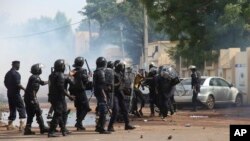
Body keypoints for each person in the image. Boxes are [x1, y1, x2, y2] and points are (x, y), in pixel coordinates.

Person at [48, 59, 75, 137]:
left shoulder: (52, 74)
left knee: (63, 113)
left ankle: (63, 129)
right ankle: (51, 132)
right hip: (58, 97)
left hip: (54, 97)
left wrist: (68, 76)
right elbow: (61, 88)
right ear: (61, 67)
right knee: (58, 114)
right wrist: (69, 96)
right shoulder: (60, 75)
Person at [107, 62, 135, 132]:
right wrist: (119, 83)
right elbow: (111, 85)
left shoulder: (121, 73)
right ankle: (110, 126)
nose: (123, 68)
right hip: (114, 94)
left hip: (120, 93)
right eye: (122, 67)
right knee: (115, 110)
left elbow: (124, 84)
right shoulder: (113, 74)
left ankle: (127, 124)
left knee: (125, 110)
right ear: (118, 67)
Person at [23, 63, 49, 135]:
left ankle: (27, 129)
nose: (41, 70)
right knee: (38, 112)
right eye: (40, 69)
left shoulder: (34, 77)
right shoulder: (35, 78)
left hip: (28, 98)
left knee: (31, 114)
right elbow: (33, 90)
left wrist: (49, 81)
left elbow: (42, 83)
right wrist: (34, 100)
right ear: (37, 70)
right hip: (31, 97)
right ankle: (42, 128)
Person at [69, 57, 91, 131]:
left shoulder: (72, 71)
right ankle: (78, 122)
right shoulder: (83, 70)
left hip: (73, 92)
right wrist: (89, 76)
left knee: (79, 108)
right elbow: (85, 80)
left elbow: (70, 81)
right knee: (86, 107)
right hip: (81, 91)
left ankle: (79, 126)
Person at [4, 60, 26, 131]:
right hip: (16, 94)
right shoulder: (16, 74)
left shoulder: (8, 73)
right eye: (18, 65)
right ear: (15, 65)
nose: (19, 66)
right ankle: (22, 125)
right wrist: (25, 89)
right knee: (21, 107)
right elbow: (18, 84)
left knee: (12, 108)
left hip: (9, 93)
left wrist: (9, 88)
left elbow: (5, 82)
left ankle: (10, 125)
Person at [93, 57, 111, 134]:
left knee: (103, 110)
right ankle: (101, 128)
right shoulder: (101, 72)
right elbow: (102, 84)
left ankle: (98, 127)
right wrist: (104, 94)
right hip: (101, 93)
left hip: (98, 92)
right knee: (103, 111)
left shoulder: (97, 71)